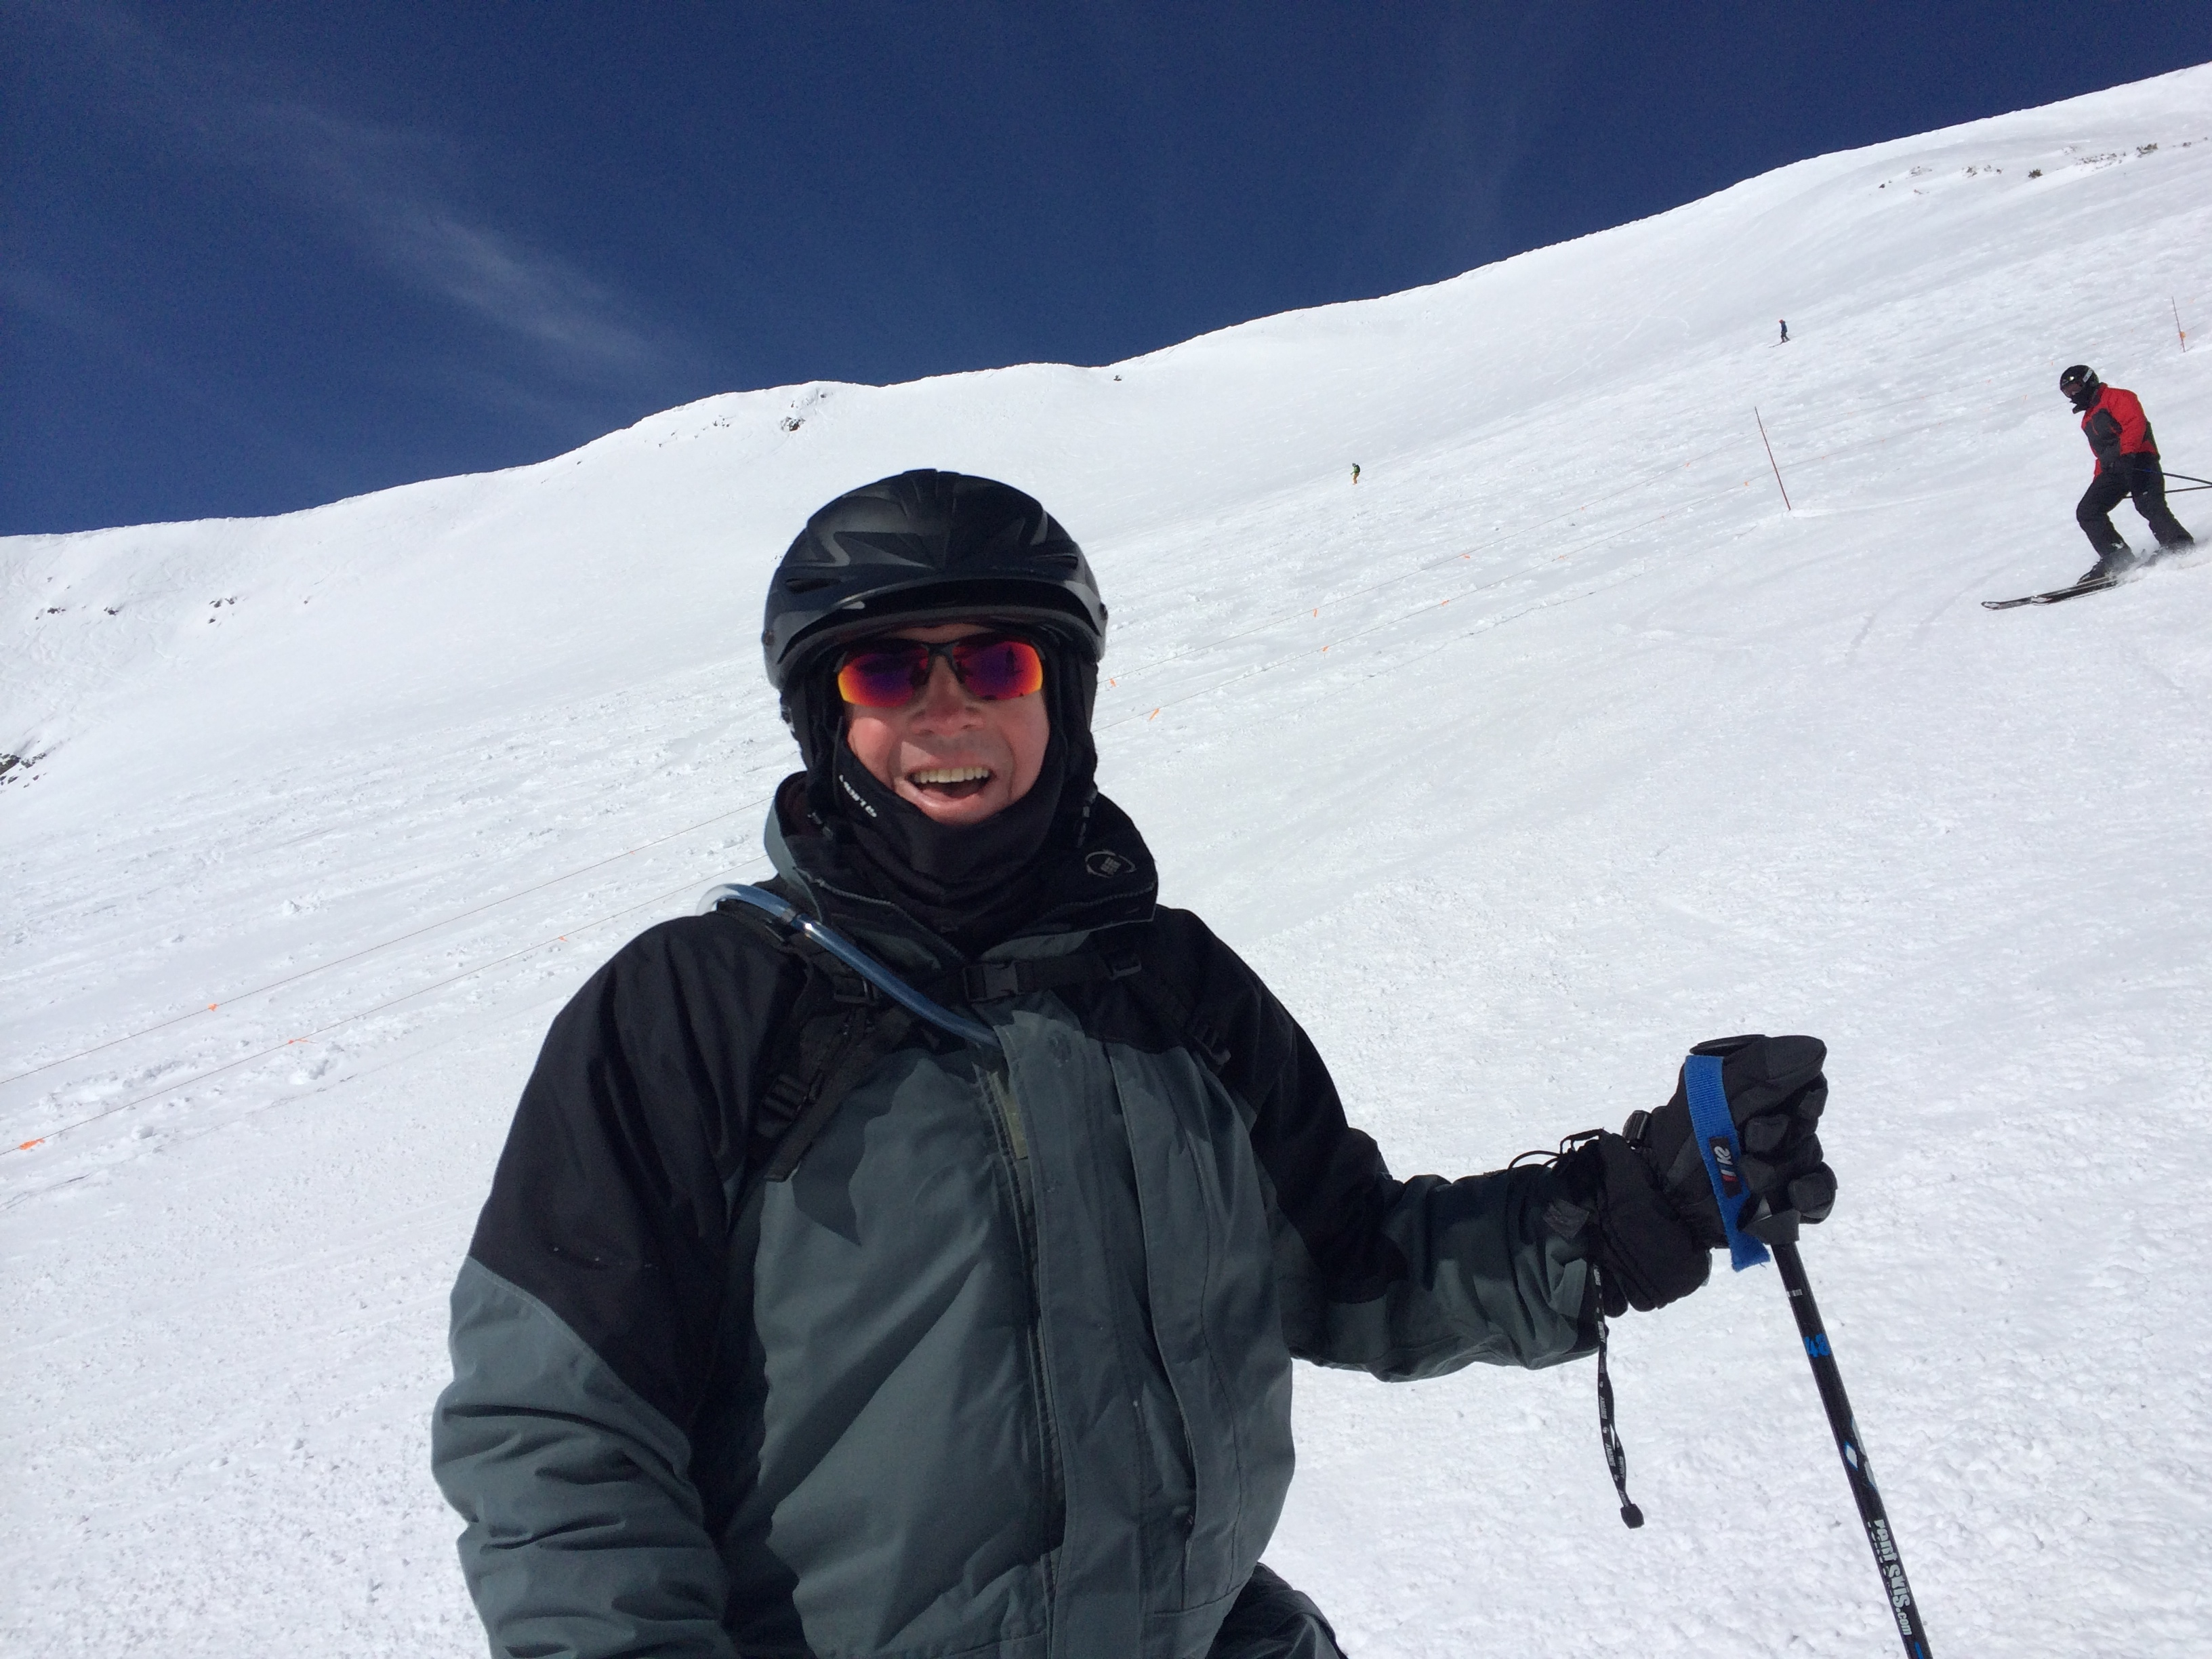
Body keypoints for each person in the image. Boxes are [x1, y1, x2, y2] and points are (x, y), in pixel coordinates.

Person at [430, 470, 1839, 1659]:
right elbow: (558, 1435)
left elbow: (1356, 1261)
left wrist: (1638, 1207)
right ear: (827, 715)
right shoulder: (698, 1010)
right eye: (888, 670)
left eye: (995, 664)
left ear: (1063, 696)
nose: (945, 711)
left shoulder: (1170, 987)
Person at [2060, 364, 2194, 582]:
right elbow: (2101, 454)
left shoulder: (2118, 397)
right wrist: (2099, 480)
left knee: (2148, 504)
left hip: (2139, 459)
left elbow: (2134, 423)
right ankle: (2117, 557)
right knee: (2088, 510)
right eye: (2068, 393)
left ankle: (2177, 543)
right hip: (2115, 469)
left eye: (2076, 388)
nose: (2073, 395)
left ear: (2089, 382)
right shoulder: (2088, 419)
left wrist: (2127, 455)